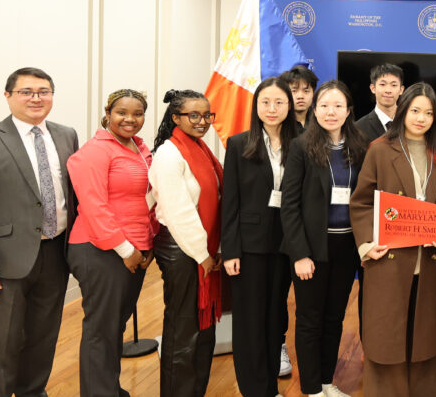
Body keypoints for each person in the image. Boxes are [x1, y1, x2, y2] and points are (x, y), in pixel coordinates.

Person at [0, 67, 78, 396]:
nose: (36, 98)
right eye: (26, 91)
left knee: (43, 338)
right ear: (8, 96)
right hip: (5, 261)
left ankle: (32, 392)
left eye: (44, 91)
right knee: (2, 344)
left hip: (56, 253)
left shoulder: (66, 134)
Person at [349, 82, 436, 397]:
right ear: (403, 110)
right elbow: (362, 202)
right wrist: (367, 244)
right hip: (390, 257)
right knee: (387, 335)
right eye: (415, 110)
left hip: (430, 258)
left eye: (429, 112)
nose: (421, 118)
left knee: (426, 334)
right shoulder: (380, 148)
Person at [67, 89, 157, 397]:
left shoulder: (139, 148)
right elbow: (93, 206)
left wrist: (147, 244)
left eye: (137, 113)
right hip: (101, 250)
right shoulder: (95, 151)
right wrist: (125, 249)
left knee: (114, 326)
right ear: (108, 112)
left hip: (136, 247)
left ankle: (108, 389)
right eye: (122, 112)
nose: (130, 119)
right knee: (101, 330)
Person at [282, 80, 367, 397]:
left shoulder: (359, 148)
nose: (331, 112)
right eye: (324, 106)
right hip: (312, 249)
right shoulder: (301, 147)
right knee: (309, 318)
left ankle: (328, 381)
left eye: (338, 106)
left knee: (334, 318)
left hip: (346, 247)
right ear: (314, 110)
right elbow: (289, 206)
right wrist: (300, 254)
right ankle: (311, 387)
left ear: (348, 111)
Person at [221, 78, 299, 397]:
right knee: (250, 321)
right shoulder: (239, 144)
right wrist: (230, 250)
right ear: (256, 106)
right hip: (249, 246)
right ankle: (255, 390)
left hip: (287, 244)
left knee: (274, 318)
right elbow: (230, 201)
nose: (271, 108)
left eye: (279, 102)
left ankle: (270, 386)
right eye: (265, 102)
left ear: (289, 106)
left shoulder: (303, 142)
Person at [149, 89, 223, 397]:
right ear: (176, 117)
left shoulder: (200, 148)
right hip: (182, 249)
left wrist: (211, 251)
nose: (202, 121)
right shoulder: (169, 153)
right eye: (194, 115)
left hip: (201, 248)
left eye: (207, 115)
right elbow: (179, 211)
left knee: (203, 331)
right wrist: (203, 255)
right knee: (183, 332)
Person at [356, 63, 405, 143]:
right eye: (382, 84)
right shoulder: (359, 128)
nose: (388, 90)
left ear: (401, 90)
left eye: (394, 85)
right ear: (373, 88)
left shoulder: (409, 122)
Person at [281, 64, 319, 132]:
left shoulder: (320, 120)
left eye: (306, 91)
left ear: (313, 94)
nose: (300, 96)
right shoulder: (279, 123)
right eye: (294, 91)